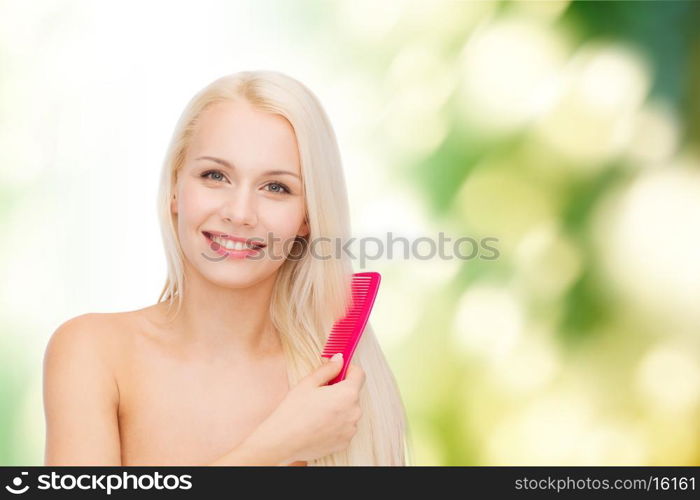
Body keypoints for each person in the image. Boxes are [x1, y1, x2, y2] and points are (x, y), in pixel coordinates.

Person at [43, 70, 409, 465]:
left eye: (276, 187)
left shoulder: (338, 388)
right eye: (215, 176)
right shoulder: (93, 352)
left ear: (307, 217)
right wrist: (276, 448)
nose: (239, 213)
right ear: (175, 190)